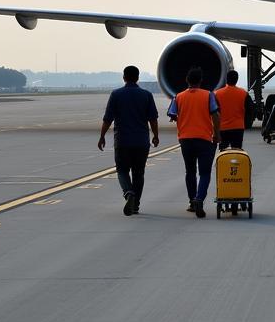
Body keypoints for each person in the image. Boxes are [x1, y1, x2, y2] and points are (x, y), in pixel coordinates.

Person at [98, 65, 159, 215]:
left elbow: (108, 119)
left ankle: (128, 193)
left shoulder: (116, 94)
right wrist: (156, 136)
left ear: (124, 77)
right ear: (138, 78)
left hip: (123, 141)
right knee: (139, 173)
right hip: (141, 142)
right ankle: (136, 204)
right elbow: (153, 119)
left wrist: (102, 136)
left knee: (122, 171)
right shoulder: (146, 95)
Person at [167, 67, 220, 217]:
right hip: (204, 139)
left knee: (190, 171)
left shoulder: (178, 97)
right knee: (204, 173)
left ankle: (192, 201)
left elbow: (172, 114)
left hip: (185, 139)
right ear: (201, 81)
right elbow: (215, 114)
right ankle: (199, 199)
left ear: (187, 80)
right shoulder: (208, 95)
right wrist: (217, 134)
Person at [215, 70, 251, 150]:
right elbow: (250, 110)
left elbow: (214, 112)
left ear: (226, 79)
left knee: (223, 152)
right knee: (237, 150)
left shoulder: (217, 94)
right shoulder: (243, 93)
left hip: (223, 128)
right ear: (237, 79)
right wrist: (246, 123)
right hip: (238, 127)